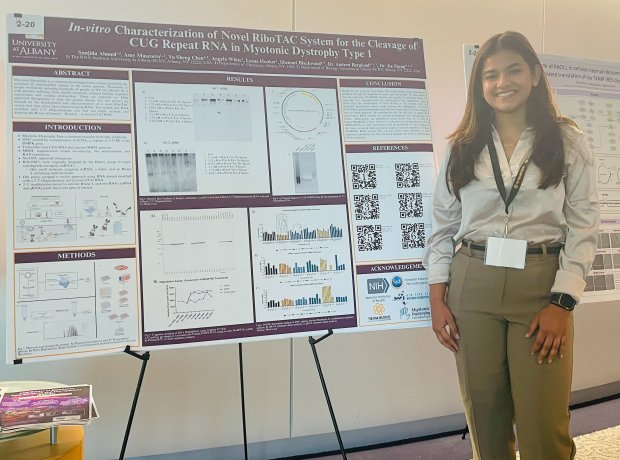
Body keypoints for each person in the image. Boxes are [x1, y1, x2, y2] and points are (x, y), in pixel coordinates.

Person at [422, 31, 599, 460]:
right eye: (491, 74)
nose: (503, 82)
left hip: (540, 283)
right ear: (479, 85)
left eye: (514, 69)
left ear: (535, 74)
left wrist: (562, 303)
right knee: (485, 414)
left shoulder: (565, 140)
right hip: (472, 281)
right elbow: (443, 223)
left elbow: (583, 225)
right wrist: (437, 295)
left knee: (543, 420)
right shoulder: (463, 145)